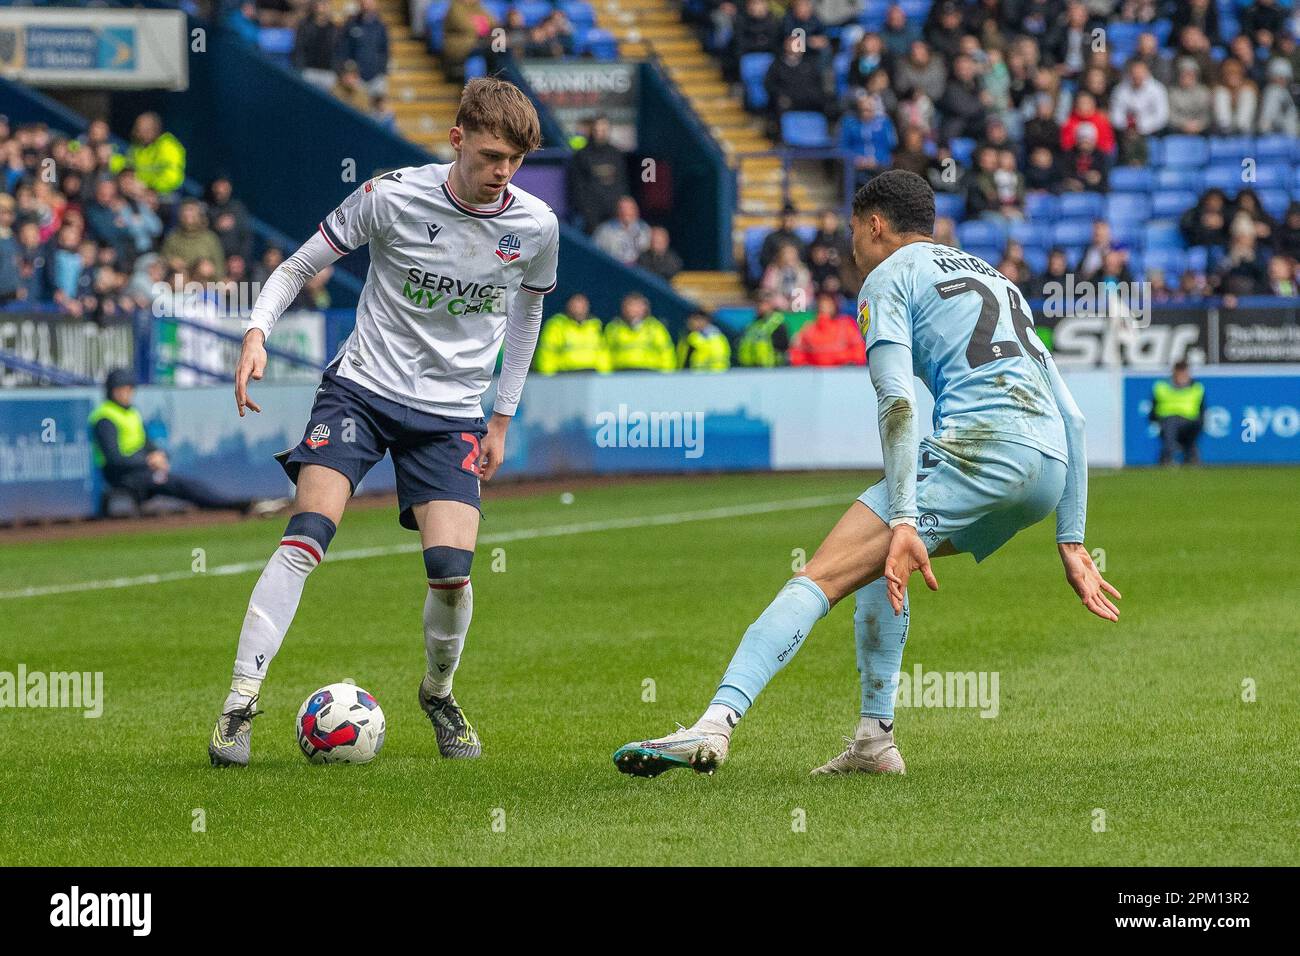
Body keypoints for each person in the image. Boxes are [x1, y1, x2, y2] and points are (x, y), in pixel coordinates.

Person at [613, 170, 1118, 778]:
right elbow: (1075, 417)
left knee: (818, 577)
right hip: (1046, 473)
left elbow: (898, 403)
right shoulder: (999, 281)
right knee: (886, 567)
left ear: (875, 224)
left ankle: (714, 724)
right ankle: (875, 740)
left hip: (983, 450)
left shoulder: (889, 277)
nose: (851, 247)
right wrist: (1071, 537)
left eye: (854, 231)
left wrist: (904, 516)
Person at [209, 78, 559, 767]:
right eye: (491, 156)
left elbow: (527, 315)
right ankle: (239, 702)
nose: (502, 174)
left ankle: (438, 692)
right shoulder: (389, 196)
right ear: (456, 139)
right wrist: (255, 332)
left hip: (453, 412)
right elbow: (297, 267)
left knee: (452, 572)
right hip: (361, 391)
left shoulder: (535, 226)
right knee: (308, 532)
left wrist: (503, 416)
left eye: (515, 161)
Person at [90, 369, 270, 514]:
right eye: (123, 389)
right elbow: (114, 459)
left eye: (130, 389)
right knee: (180, 484)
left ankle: (230, 503)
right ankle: (232, 505)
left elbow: (145, 442)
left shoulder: (130, 412)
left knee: (182, 483)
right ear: (113, 391)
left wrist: (157, 455)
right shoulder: (105, 417)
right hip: (123, 476)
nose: (128, 393)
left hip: (142, 471)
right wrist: (148, 461)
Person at [534, 293, 610, 374]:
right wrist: (548, 377)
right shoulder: (557, 325)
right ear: (568, 306)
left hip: (591, 375)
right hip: (565, 375)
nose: (579, 310)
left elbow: (603, 352)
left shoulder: (594, 325)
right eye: (576, 306)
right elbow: (547, 352)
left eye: (582, 306)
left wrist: (604, 376)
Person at [1149, 361, 1205, 466]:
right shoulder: (1162, 387)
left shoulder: (1196, 387)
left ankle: (1191, 457)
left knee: (1192, 426)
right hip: (1167, 421)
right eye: (1179, 372)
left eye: (1184, 372)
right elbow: (1153, 409)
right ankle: (1168, 457)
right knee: (1171, 422)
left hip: (1190, 422)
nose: (1182, 376)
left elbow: (1202, 409)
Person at [788, 292, 865, 366]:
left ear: (834, 305)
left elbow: (859, 350)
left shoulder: (845, 325)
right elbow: (796, 353)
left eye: (828, 304)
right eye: (821, 304)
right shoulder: (810, 329)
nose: (824, 307)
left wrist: (851, 363)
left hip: (843, 373)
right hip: (814, 374)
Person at [603, 292, 675, 371]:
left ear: (645, 308)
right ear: (623, 308)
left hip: (649, 373)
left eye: (638, 306)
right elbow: (606, 352)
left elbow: (667, 352)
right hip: (621, 373)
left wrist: (667, 375)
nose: (634, 309)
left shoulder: (655, 328)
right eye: (631, 306)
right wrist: (606, 375)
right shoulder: (614, 328)